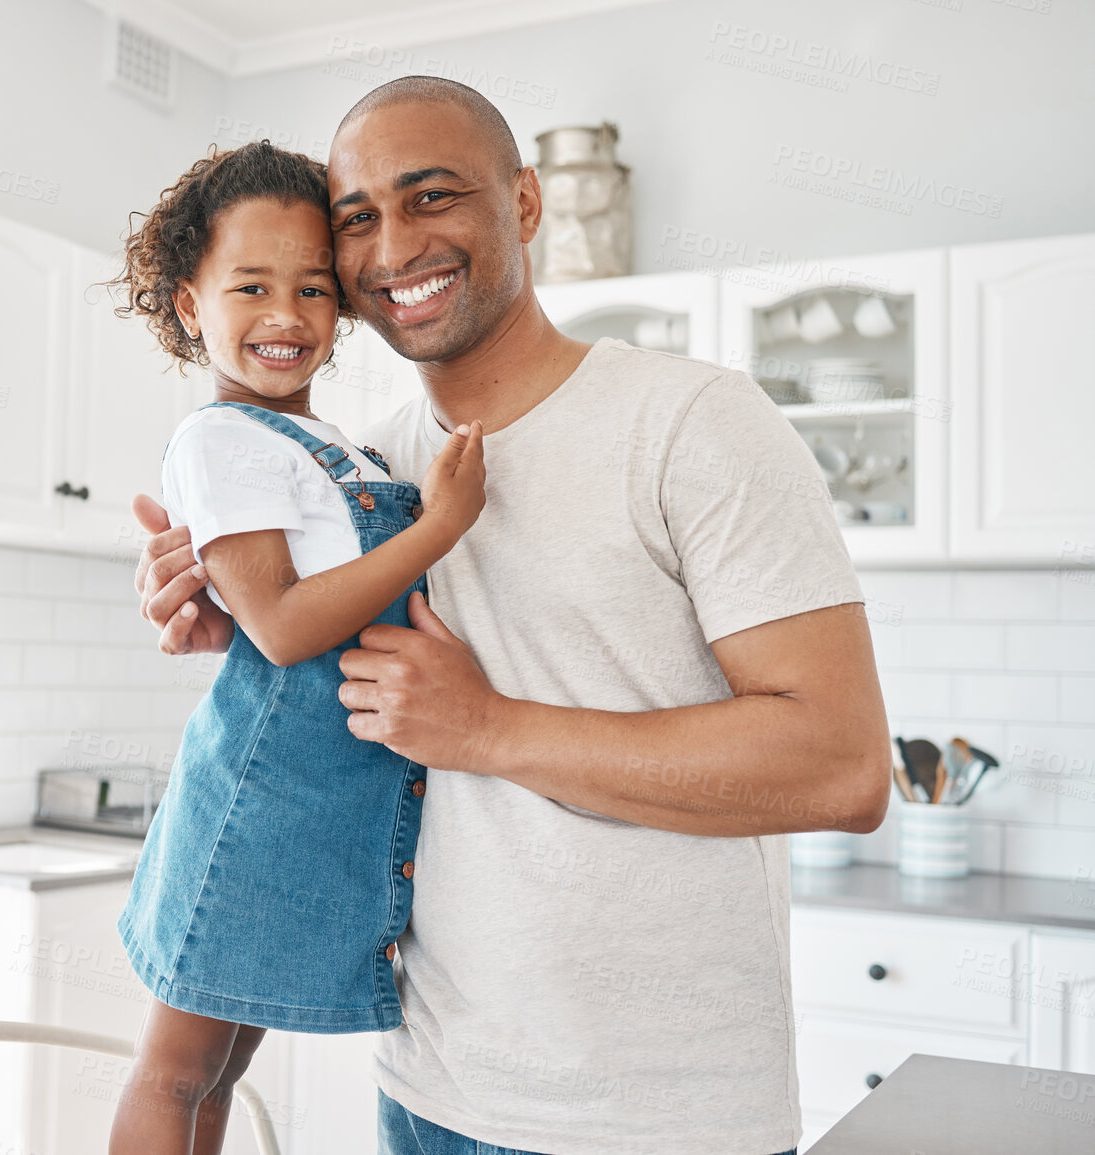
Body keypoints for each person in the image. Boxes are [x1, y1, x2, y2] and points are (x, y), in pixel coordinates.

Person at [132, 78, 892, 1155]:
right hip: (428, 1093)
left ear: (525, 204)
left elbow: (841, 766)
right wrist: (222, 617)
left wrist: (488, 727)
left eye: (432, 196)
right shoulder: (365, 468)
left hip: (658, 1121)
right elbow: (304, 640)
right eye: (358, 218)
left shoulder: (693, 423)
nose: (395, 246)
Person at [105, 140, 487, 1155]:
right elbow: (280, 627)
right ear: (192, 306)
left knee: (218, 1076)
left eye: (314, 288)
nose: (287, 315)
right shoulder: (221, 440)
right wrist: (435, 530)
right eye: (252, 286)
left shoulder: (326, 446)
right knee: (178, 1073)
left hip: (308, 819)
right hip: (254, 810)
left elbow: (257, 610)